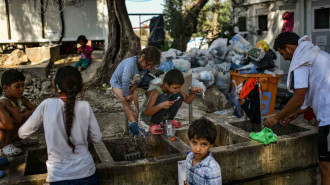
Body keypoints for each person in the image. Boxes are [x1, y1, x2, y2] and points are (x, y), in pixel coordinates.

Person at [264, 32, 330, 185]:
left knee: (326, 168)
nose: (284, 59)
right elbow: (320, 90)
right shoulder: (319, 55)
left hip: (328, 119)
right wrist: (297, 113)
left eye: (282, 54)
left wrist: (276, 117)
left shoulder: (301, 60)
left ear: (289, 48)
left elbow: (298, 98)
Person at [18, 66, 102, 184]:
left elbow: (22, 133)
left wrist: (47, 127)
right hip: (86, 173)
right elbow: (97, 137)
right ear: (80, 88)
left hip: (59, 176)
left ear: (54, 86)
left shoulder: (46, 105)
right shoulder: (85, 106)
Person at [110, 46, 161, 135]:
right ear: (142, 56)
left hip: (130, 85)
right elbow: (125, 79)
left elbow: (139, 78)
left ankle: (136, 124)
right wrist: (126, 94)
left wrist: (135, 86)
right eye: (148, 64)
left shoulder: (143, 67)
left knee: (136, 104)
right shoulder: (130, 64)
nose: (148, 67)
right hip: (117, 84)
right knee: (125, 101)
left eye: (150, 66)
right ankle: (133, 122)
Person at [142, 69, 202, 135]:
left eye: (179, 87)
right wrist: (161, 105)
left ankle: (168, 121)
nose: (178, 90)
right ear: (166, 85)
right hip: (148, 118)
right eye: (175, 88)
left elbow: (187, 101)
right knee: (164, 98)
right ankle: (153, 124)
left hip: (161, 115)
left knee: (179, 96)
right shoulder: (156, 91)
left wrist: (193, 93)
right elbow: (146, 113)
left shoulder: (175, 89)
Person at [0, 69, 36, 156]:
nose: (21, 89)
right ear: (6, 88)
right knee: (16, 119)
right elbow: (18, 117)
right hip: (5, 132)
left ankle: (19, 139)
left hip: (14, 130)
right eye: (17, 86)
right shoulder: (5, 101)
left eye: (23, 86)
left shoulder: (21, 99)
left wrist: (30, 111)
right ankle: (6, 145)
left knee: (29, 113)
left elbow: (35, 110)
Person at [185, 117, 222, 185]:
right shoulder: (189, 157)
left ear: (211, 145)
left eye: (204, 144)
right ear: (189, 141)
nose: (198, 149)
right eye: (194, 143)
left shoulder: (212, 169)